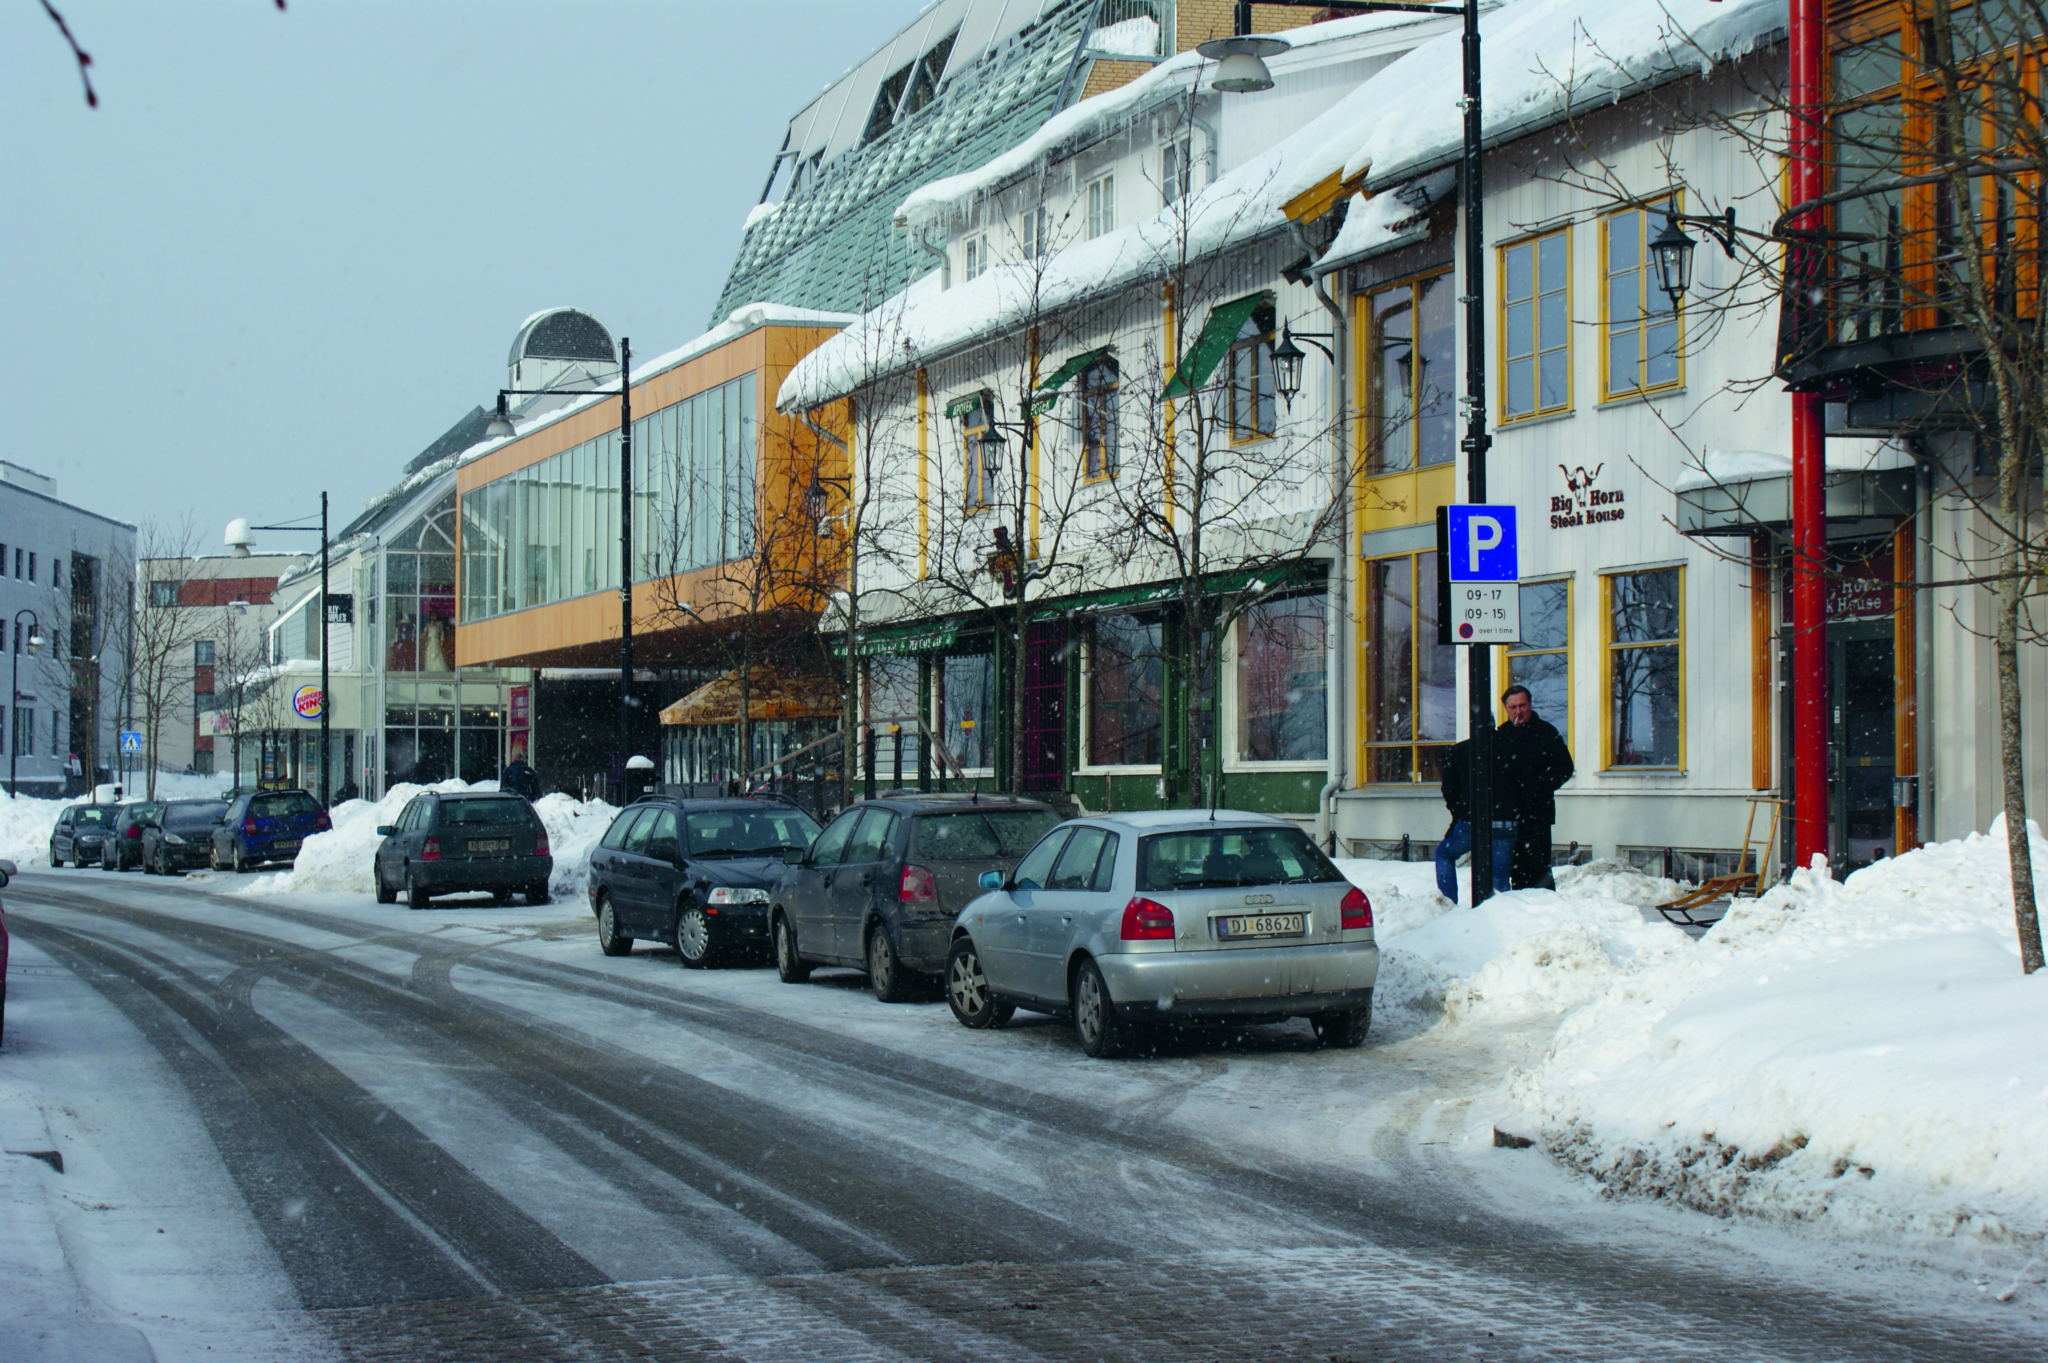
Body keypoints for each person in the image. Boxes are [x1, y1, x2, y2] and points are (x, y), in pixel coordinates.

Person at [1494, 684, 1574, 889]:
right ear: (1506, 709)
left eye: (1522, 705)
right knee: (1514, 869)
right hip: (1508, 816)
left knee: (1539, 868)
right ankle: (1522, 909)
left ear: (1530, 705)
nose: (1518, 711)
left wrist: (1539, 787)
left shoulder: (1546, 732)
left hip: (1537, 813)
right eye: (1513, 707)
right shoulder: (1501, 735)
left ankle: (1545, 909)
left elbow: (1565, 767)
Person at [1434, 736, 1515, 903]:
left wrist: (1459, 813)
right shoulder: (1511, 747)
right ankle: (1502, 913)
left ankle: (1448, 903)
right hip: (1506, 821)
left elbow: (1449, 789)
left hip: (1471, 821)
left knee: (1444, 855)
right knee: (1500, 876)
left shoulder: (1459, 751)